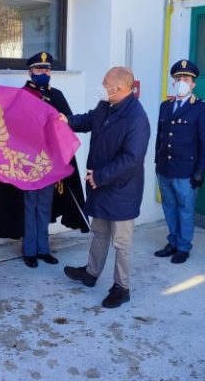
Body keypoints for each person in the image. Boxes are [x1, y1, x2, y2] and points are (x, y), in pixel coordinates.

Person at [0, 51, 89, 267]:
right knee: (29, 205)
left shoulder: (58, 96)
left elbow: (67, 126)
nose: (43, 73)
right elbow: (10, 130)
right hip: (26, 163)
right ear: (30, 71)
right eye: (39, 69)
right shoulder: (21, 96)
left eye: (46, 69)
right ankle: (29, 251)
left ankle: (44, 249)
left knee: (45, 206)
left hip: (49, 163)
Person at [61, 66, 150, 309]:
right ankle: (91, 273)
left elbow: (131, 160)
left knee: (122, 242)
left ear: (118, 88)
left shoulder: (137, 119)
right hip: (99, 185)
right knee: (99, 232)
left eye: (105, 82)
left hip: (120, 190)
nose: (101, 85)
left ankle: (122, 288)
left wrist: (100, 176)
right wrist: (67, 120)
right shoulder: (106, 105)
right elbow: (90, 119)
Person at [154, 59, 205, 264]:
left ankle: (183, 246)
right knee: (169, 206)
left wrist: (200, 171)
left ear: (193, 83)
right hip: (165, 168)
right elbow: (160, 136)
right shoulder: (165, 106)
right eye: (178, 78)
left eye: (186, 78)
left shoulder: (201, 108)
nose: (181, 81)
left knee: (185, 209)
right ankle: (172, 241)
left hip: (187, 170)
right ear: (173, 81)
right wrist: (156, 162)